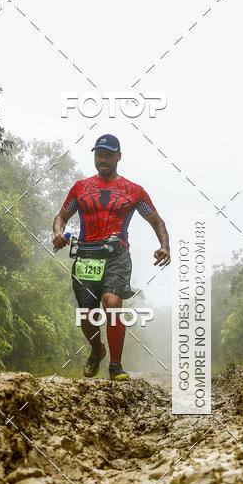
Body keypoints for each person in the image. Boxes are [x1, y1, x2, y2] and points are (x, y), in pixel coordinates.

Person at [52, 133, 170, 380]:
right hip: (86, 256)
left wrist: (164, 246)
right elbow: (61, 216)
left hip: (117, 256)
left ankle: (115, 365)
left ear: (119, 156)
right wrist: (58, 233)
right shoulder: (81, 188)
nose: (102, 159)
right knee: (87, 314)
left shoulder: (134, 191)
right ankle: (98, 350)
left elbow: (156, 220)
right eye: (98, 154)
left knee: (113, 303)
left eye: (107, 154)